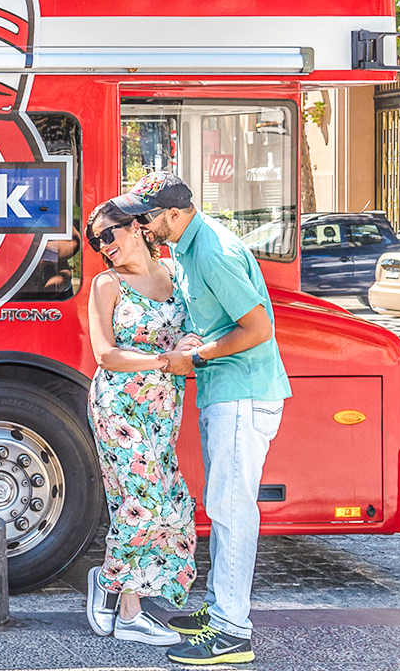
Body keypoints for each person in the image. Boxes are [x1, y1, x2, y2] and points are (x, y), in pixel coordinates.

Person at [120, 171, 291, 666]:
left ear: (173, 213)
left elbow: (258, 327)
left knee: (232, 511)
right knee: (223, 508)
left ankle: (234, 633)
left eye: (145, 217)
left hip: (242, 393)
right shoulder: (190, 247)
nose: (140, 225)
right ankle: (221, 615)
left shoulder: (212, 250)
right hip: (228, 391)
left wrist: (195, 358)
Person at [82, 199, 196, 647]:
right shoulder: (105, 284)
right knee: (141, 504)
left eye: (108, 234)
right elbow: (105, 354)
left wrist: (191, 342)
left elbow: (195, 326)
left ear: (137, 227)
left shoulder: (175, 273)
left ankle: (109, 583)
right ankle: (127, 609)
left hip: (163, 405)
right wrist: (165, 360)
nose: (103, 245)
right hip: (118, 404)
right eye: (96, 241)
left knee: (170, 502)